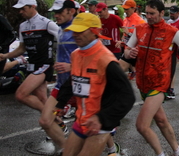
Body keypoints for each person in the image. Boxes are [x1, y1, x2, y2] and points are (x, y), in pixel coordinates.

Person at [121, 0, 179, 156]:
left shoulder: (172, 32)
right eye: (147, 13)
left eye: (152, 13)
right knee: (161, 121)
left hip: (159, 84)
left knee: (142, 125)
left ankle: (160, 153)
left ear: (162, 13)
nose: (148, 16)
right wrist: (130, 53)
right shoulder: (140, 29)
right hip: (142, 83)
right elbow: (127, 51)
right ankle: (178, 151)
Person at [54, 12, 135, 156]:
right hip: (82, 119)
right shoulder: (76, 54)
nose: (75, 34)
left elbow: (127, 96)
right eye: (74, 30)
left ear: (94, 31)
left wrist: (102, 118)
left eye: (80, 30)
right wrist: (60, 103)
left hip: (100, 124)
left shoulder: (106, 59)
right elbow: (73, 80)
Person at [0, 0, 58, 112]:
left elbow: (63, 40)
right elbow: (21, 48)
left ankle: (50, 118)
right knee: (42, 99)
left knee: (21, 95)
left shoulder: (46, 23)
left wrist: (61, 60)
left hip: (44, 65)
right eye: (19, 9)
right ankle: (56, 121)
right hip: (31, 65)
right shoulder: (22, 26)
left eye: (23, 9)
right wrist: (4, 56)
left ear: (33, 7)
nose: (20, 12)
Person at [39, 0, 78, 149]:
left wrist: (71, 66)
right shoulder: (60, 29)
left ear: (71, 11)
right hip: (61, 85)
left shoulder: (80, 29)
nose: (56, 15)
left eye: (59, 12)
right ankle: (66, 149)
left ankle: (111, 149)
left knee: (88, 127)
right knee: (45, 120)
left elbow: (95, 59)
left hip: (80, 86)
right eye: (55, 12)